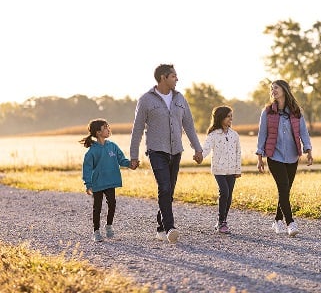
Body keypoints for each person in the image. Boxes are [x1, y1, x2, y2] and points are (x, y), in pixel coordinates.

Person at [129, 63, 203, 244]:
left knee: (168, 191)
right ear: (163, 77)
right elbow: (137, 128)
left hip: (176, 150)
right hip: (156, 150)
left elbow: (189, 125)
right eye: (174, 76)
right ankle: (170, 227)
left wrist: (198, 148)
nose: (177, 79)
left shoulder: (180, 98)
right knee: (164, 187)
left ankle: (161, 227)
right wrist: (134, 155)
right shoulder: (146, 100)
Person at [256, 80, 313, 237]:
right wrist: (259, 156)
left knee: (285, 190)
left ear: (284, 90)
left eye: (276, 88)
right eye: (272, 88)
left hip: (292, 156)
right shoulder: (267, 112)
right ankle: (290, 223)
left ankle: (277, 220)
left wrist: (308, 149)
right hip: (274, 155)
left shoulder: (295, 111)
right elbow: (262, 134)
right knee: (283, 187)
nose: (273, 90)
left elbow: (303, 132)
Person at [80, 118, 134, 242]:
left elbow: (121, 160)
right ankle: (96, 231)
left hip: (110, 181)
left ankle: (109, 225)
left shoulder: (112, 146)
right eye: (105, 128)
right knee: (97, 207)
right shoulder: (92, 151)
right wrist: (88, 184)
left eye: (108, 127)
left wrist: (130, 164)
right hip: (97, 183)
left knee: (112, 204)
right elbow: (87, 169)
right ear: (98, 132)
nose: (108, 129)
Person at [201, 105, 241, 234]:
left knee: (229, 196)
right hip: (219, 169)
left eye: (231, 117)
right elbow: (206, 148)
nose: (231, 119)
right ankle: (220, 221)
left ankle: (223, 220)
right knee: (224, 192)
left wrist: (238, 169)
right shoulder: (213, 135)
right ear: (220, 117)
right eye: (228, 116)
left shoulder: (234, 135)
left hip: (231, 170)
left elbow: (238, 152)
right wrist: (199, 156)